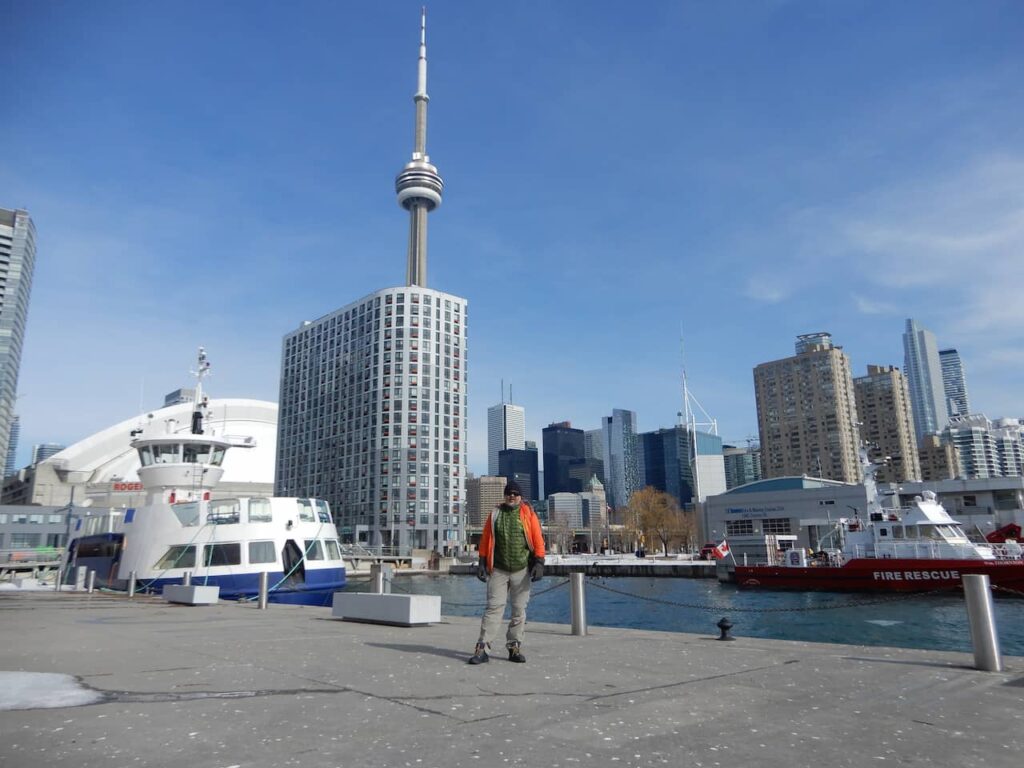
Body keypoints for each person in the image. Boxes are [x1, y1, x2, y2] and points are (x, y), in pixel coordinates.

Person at [467, 481, 545, 665]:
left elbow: (537, 539)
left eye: (516, 494)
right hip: (498, 570)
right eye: (509, 493)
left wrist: (540, 562)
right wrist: (482, 562)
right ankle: (482, 648)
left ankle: (514, 647)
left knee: (519, 610)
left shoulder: (528, 514)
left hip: (522, 569)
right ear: (504, 495)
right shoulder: (495, 514)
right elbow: (486, 539)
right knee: (493, 608)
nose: (512, 496)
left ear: (521, 496)